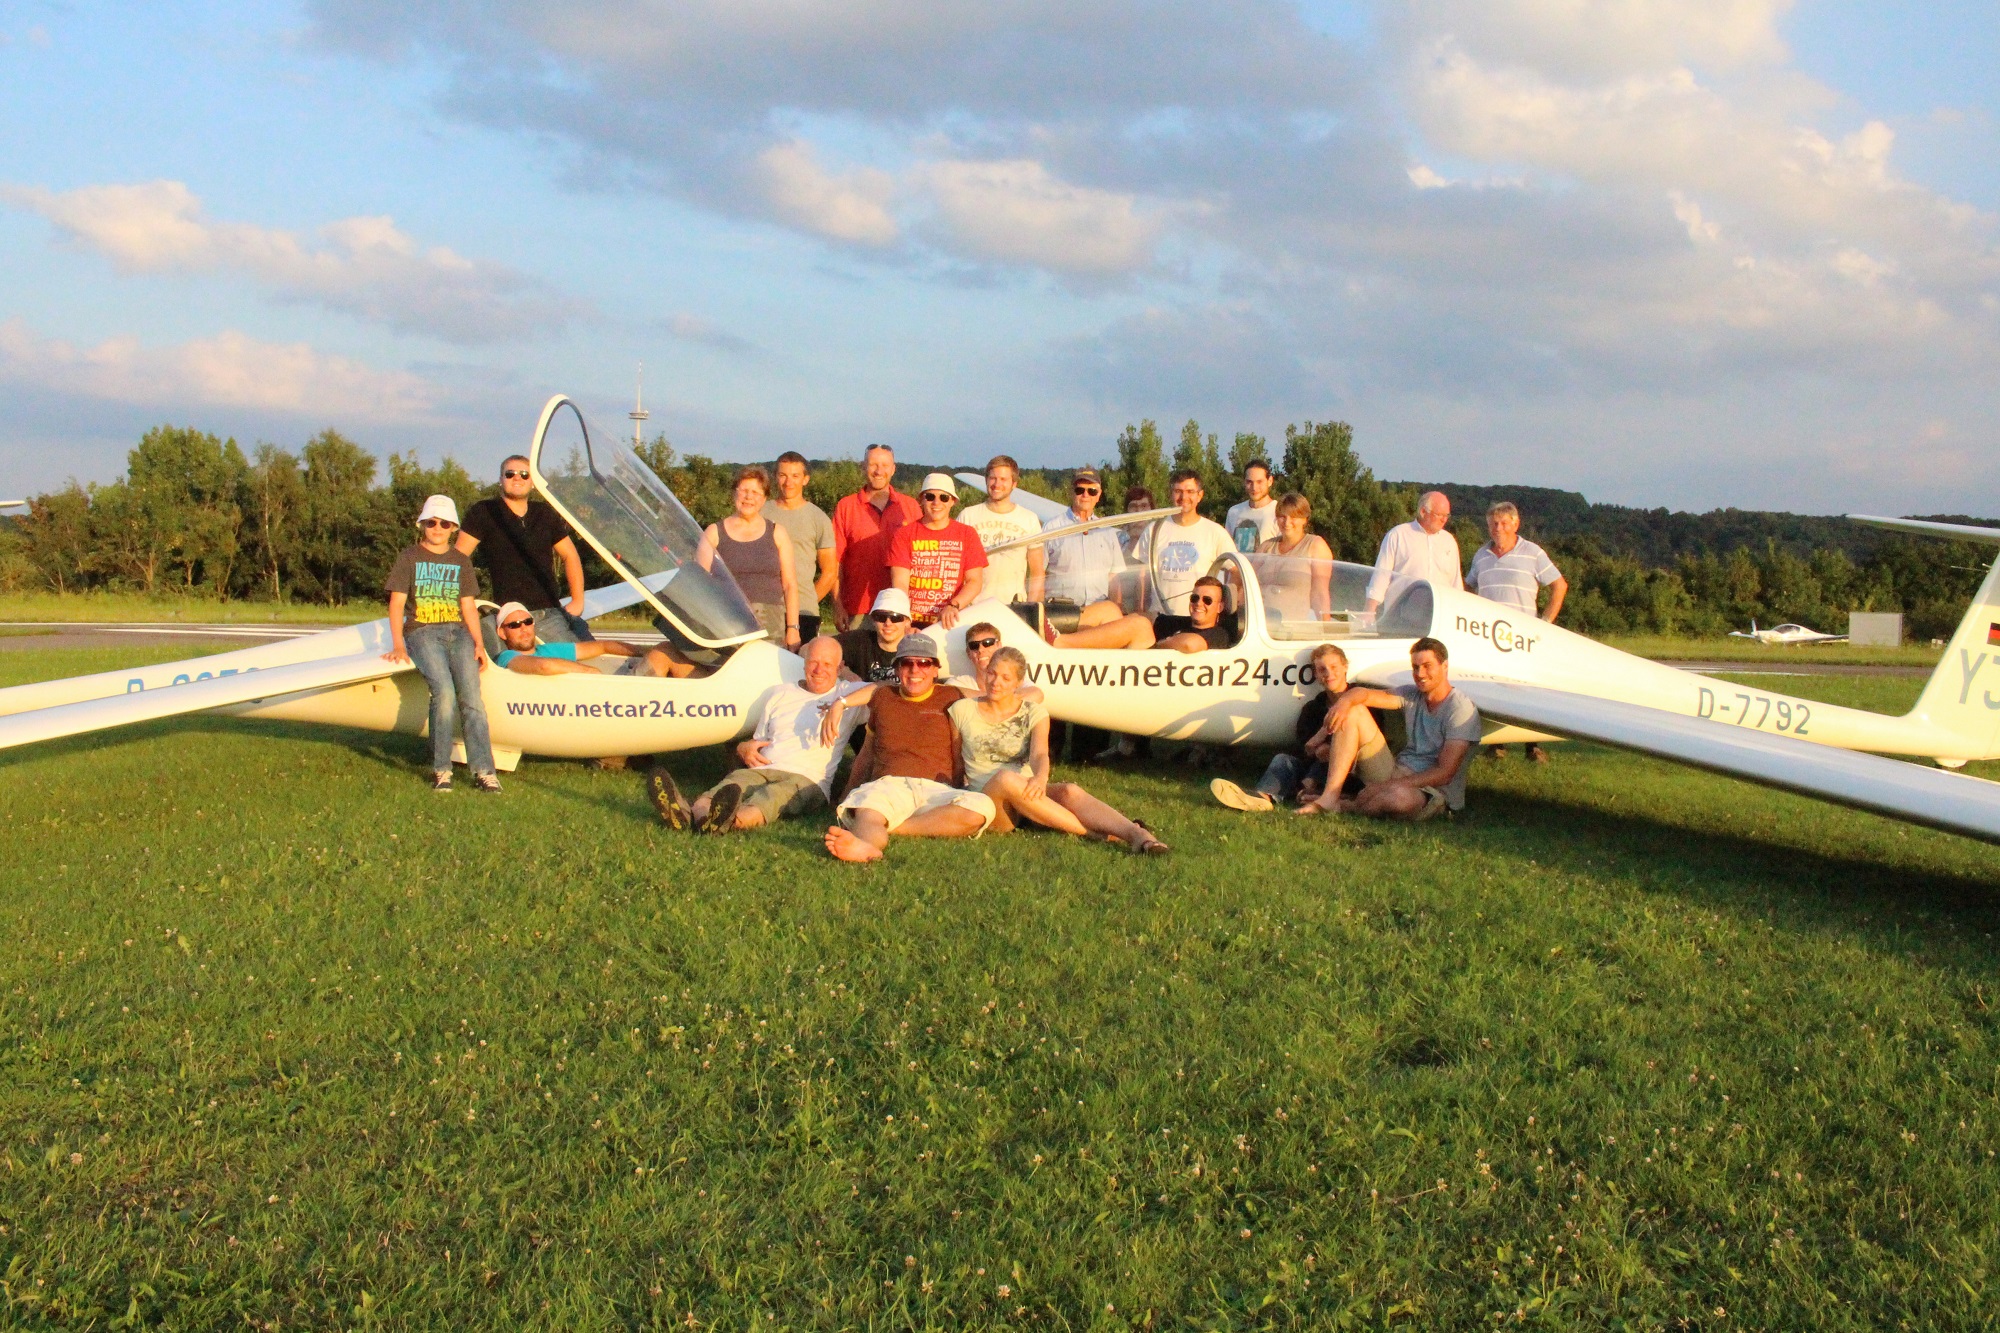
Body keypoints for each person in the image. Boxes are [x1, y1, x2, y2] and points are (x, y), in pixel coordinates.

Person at [949, 647, 1167, 854]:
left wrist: (1041, 777)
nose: (996, 682)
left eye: (1006, 678)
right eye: (992, 674)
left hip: (1025, 794)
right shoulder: (962, 709)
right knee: (1005, 779)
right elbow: (956, 760)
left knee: (1068, 791)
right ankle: (1094, 834)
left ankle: (1137, 834)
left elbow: (1039, 753)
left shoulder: (1034, 712)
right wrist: (955, 794)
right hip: (988, 802)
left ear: (1018, 682)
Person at [647, 636, 866, 833]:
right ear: (804, 663)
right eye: (814, 662)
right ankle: (691, 815)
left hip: (807, 779)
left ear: (839, 668)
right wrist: (744, 748)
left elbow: (884, 689)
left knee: (771, 798)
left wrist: (841, 704)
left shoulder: (847, 694)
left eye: (828, 664)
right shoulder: (780, 693)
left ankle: (725, 821)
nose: (819, 670)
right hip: (764, 766)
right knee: (728, 787)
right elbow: (758, 740)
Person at [825, 634, 998, 862]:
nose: (915, 670)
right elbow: (866, 754)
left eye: (924, 663)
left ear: (936, 669)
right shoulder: (883, 696)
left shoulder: (953, 695)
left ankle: (895, 827)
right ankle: (868, 847)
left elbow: (999, 698)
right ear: (897, 669)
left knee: (981, 807)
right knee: (868, 811)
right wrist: (847, 791)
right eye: (907, 663)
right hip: (889, 785)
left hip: (938, 790)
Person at [384, 495, 500, 793]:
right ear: (422, 525)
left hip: (458, 633)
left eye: (444, 523)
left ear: (453, 528)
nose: (437, 528)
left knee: (472, 698)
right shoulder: (408, 557)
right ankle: (441, 769)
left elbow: (468, 605)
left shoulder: (461, 561)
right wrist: (398, 643)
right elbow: (396, 604)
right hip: (421, 632)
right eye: (431, 522)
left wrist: (478, 643)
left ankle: (484, 771)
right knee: (444, 694)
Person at [1209, 643, 1393, 813]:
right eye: (1322, 670)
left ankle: (1319, 794)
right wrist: (1314, 751)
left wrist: (1330, 748)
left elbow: (1373, 742)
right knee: (1283, 760)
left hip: (1354, 770)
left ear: (1345, 667)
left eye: (1334, 667)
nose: (1329, 674)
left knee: (1331, 760)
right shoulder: (1312, 709)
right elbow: (1303, 747)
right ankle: (1263, 796)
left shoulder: (1365, 704)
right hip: (1315, 767)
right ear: (1315, 674)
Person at [1316, 637, 1482, 821]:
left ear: (1444, 666)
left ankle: (1348, 805)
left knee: (1399, 799)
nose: (1420, 673)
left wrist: (1388, 786)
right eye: (1415, 667)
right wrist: (1345, 701)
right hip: (1397, 772)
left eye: (1427, 666)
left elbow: (1445, 773)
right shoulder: (1412, 694)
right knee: (1354, 709)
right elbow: (1364, 694)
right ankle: (1330, 797)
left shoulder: (1460, 709)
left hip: (1431, 790)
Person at [458, 455, 593, 659]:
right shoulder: (484, 512)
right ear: (501, 479)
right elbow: (457, 559)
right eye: (510, 474)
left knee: (592, 654)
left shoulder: (544, 513)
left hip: (549, 610)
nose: (517, 478)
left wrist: (578, 600)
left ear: (532, 482)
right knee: (577, 666)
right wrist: (463, 603)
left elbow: (570, 554)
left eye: (524, 474)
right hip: (512, 614)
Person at [1467, 500, 1567, 762]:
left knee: (1526, 691)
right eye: (1493, 524)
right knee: (1491, 689)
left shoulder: (1532, 553)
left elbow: (1559, 586)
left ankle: (1531, 744)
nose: (1498, 528)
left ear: (1515, 524)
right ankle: (1495, 744)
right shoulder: (1481, 555)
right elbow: (1467, 587)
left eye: (1503, 523)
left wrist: (1545, 622)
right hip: (1486, 636)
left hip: (1522, 637)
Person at [701, 466, 799, 649]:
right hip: (727, 622)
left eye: (755, 492)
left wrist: (793, 628)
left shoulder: (778, 533)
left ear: (764, 498)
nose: (748, 497)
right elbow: (701, 584)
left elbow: (790, 585)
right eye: (744, 491)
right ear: (734, 493)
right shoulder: (713, 532)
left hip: (770, 624)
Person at [831, 443, 921, 631]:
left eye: (885, 465)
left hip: (901, 609)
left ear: (893, 469)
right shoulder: (846, 506)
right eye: (873, 464)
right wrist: (837, 605)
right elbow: (835, 561)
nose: (879, 471)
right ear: (863, 467)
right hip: (858, 609)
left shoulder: (910, 506)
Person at [1137, 470, 1232, 637]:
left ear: (1200, 495)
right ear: (1170, 494)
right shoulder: (1153, 529)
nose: (1183, 497)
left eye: (1190, 492)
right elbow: (1142, 575)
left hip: (1200, 622)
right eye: (1178, 491)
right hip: (1160, 619)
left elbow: (1234, 572)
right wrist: (1141, 611)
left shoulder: (1215, 532)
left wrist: (1224, 610)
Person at [490, 601, 698, 677]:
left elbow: (603, 646)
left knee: (664, 651)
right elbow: (544, 667)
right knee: (664, 654)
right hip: (597, 705)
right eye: (514, 625)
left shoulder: (548, 649)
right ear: (502, 633)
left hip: (603, 700)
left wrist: (645, 652)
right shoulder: (507, 657)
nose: (523, 628)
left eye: (527, 621)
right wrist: (590, 673)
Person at [887, 473, 987, 629]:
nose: (936, 502)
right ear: (921, 499)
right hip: (913, 622)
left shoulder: (967, 534)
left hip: (951, 621)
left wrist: (953, 606)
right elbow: (900, 582)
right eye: (930, 496)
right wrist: (903, 619)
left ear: (953, 501)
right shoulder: (904, 534)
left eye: (944, 498)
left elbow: (975, 581)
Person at [762, 451, 838, 642]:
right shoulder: (760, 512)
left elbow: (830, 571)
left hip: (804, 612)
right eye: (783, 475)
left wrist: (807, 601)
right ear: (775, 477)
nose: (789, 482)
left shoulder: (818, 518)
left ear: (805, 479)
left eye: (795, 476)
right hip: (764, 610)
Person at [959, 455, 1046, 605]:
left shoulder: (1029, 519)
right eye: (993, 478)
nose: (997, 484)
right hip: (973, 606)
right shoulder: (968, 516)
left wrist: (1030, 607)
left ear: (1014, 484)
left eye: (1003, 479)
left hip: (1014, 607)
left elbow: (1037, 571)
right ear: (986, 480)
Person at [1364, 490, 1462, 616]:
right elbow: (1381, 576)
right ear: (1423, 512)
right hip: (1402, 616)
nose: (1444, 520)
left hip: (1439, 618)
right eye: (1439, 515)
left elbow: (1456, 583)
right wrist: (1368, 612)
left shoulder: (1449, 542)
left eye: (1446, 515)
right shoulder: (1398, 535)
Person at [1041, 468, 1124, 608]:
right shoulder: (1052, 528)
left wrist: (1116, 611)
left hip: (1098, 611)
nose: (1085, 495)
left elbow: (1114, 579)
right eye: (1080, 490)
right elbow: (1039, 573)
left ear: (1099, 496)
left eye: (1092, 491)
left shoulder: (1107, 532)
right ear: (1071, 492)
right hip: (1061, 610)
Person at [1254, 493, 1336, 621]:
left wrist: (1325, 626)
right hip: (1260, 625)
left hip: (1293, 627)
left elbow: (1320, 593)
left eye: (1293, 517)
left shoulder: (1315, 546)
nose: (1287, 522)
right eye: (1282, 516)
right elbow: (1247, 584)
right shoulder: (1266, 546)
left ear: (1305, 519)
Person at [837, 588, 914, 684]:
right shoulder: (859, 640)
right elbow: (820, 648)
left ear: (907, 621)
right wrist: (845, 672)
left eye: (895, 617)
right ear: (873, 620)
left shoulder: (916, 650)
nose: (888, 623)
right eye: (881, 617)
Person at [1152, 575, 1234, 652]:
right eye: (1194, 598)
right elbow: (1153, 618)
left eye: (1207, 600)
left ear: (1219, 607)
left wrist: (1155, 646)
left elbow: (1190, 644)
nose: (1198, 603)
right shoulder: (1179, 622)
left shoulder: (1219, 634)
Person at [1223, 459, 1280, 553]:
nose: (1254, 488)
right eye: (1249, 482)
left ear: (1270, 481)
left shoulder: (1279, 511)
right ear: (1244, 482)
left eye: (1259, 482)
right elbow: (1227, 549)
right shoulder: (1234, 512)